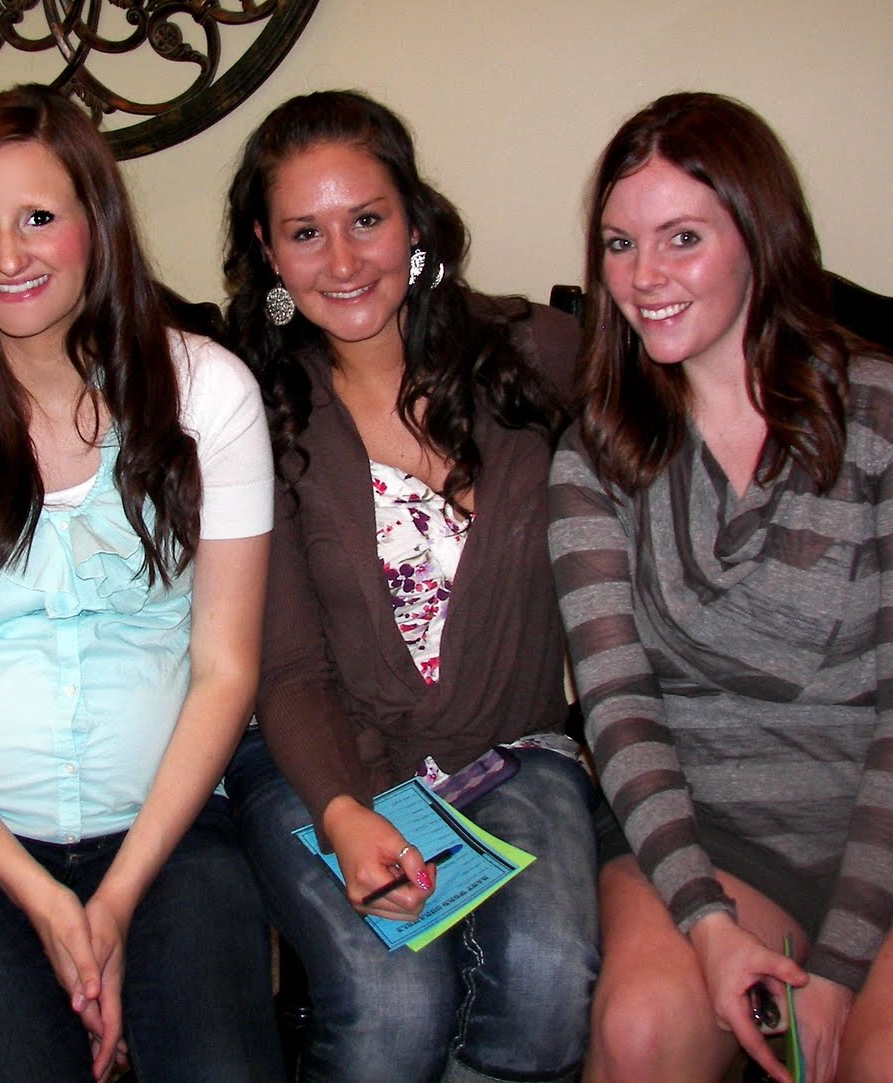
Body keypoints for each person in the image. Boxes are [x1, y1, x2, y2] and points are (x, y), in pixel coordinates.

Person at [547, 91, 893, 1083]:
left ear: (759, 237)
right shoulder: (596, 457)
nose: (643, 277)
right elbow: (620, 710)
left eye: (683, 238)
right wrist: (709, 923)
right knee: (639, 1034)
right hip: (710, 825)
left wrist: (841, 970)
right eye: (619, 244)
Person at [0, 85, 282, 1083]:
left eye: (39, 216)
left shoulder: (208, 393)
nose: (9, 255)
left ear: (96, 224)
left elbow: (225, 670)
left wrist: (113, 900)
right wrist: (44, 901)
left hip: (167, 834)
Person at [220, 90, 607, 1083]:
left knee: (548, 983)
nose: (343, 262)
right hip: (318, 751)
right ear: (267, 250)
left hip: (513, 747)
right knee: (395, 1005)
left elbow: (695, 386)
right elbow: (290, 668)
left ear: (414, 221)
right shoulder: (257, 411)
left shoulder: (535, 354)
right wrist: (344, 811)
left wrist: (859, 411)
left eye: (367, 219)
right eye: (305, 233)